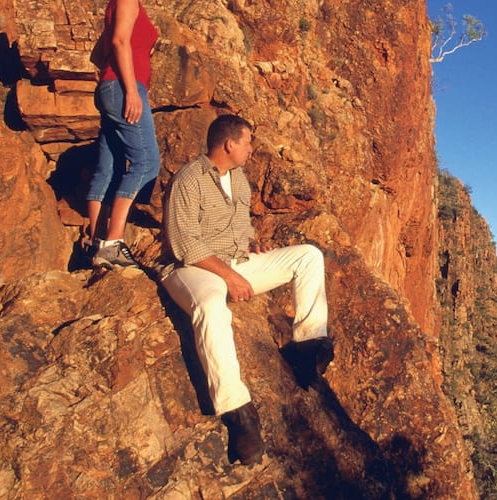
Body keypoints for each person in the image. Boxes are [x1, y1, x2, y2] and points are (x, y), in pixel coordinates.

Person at [161, 114, 334, 465]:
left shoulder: (238, 179)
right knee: (210, 306)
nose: (251, 149)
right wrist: (229, 276)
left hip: (234, 262)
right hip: (192, 269)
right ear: (229, 144)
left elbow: (241, 227)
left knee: (308, 257)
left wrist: (251, 246)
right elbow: (183, 244)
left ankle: (306, 346)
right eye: (247, 141)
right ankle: (238, 412)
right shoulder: (189, 179)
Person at [86, 0, 161, 268]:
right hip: (123, 87)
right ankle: (113, 242)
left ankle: (95, 244)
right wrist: (131, 89)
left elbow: (99, 53)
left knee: (109, 167)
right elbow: (119, 41)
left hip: (110, 86)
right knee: (147, 162)